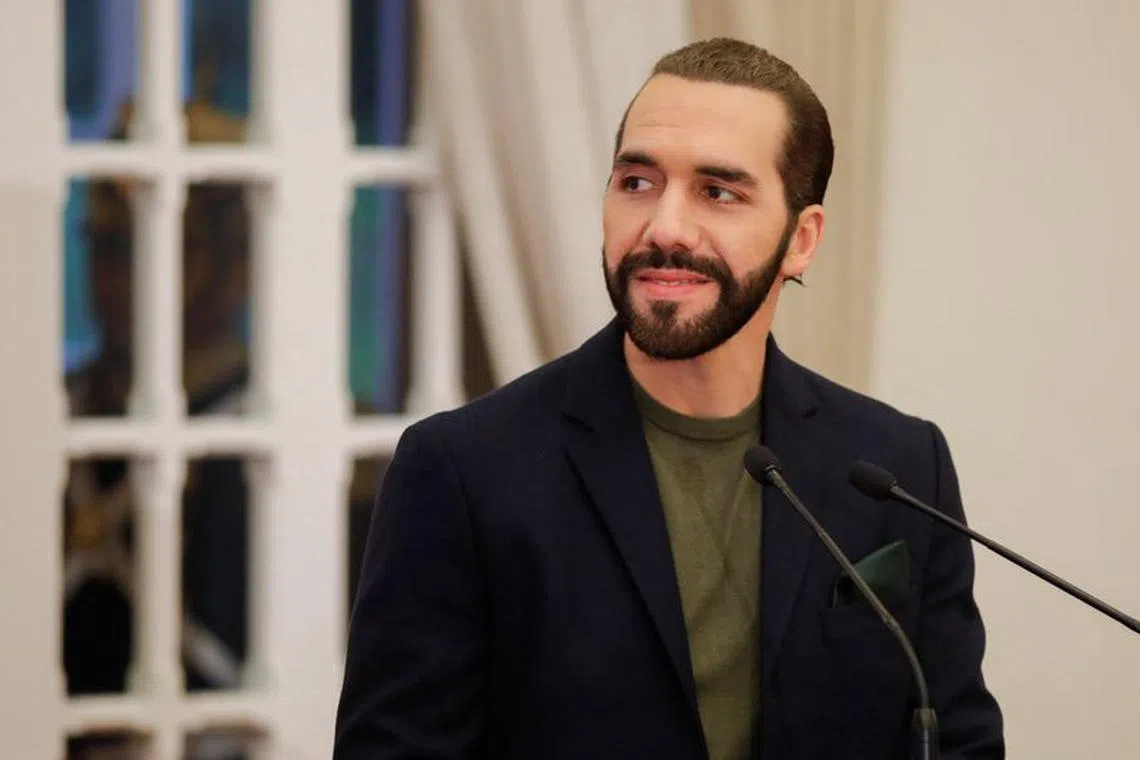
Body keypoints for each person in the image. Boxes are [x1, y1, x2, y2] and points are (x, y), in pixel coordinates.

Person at [333, 37, 1004, 759]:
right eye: (637, 182)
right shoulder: (462, 469)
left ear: (801, 240)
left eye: (718, 192)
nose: (664, 229)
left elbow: (958, 740)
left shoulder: (900, 468)